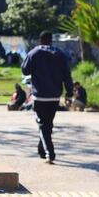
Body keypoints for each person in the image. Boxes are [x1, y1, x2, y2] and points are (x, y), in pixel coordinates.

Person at [21, 31, 73, 164]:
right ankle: (41, 151)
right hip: (55, 96)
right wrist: (69, 93)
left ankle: (50, 152)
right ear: (51, 40)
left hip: (40, 96)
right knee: (47, 124)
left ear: (40, 40)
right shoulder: (60, 54)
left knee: (43, 124)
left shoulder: (35, 53)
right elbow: (67, 75)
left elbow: (25, 70)